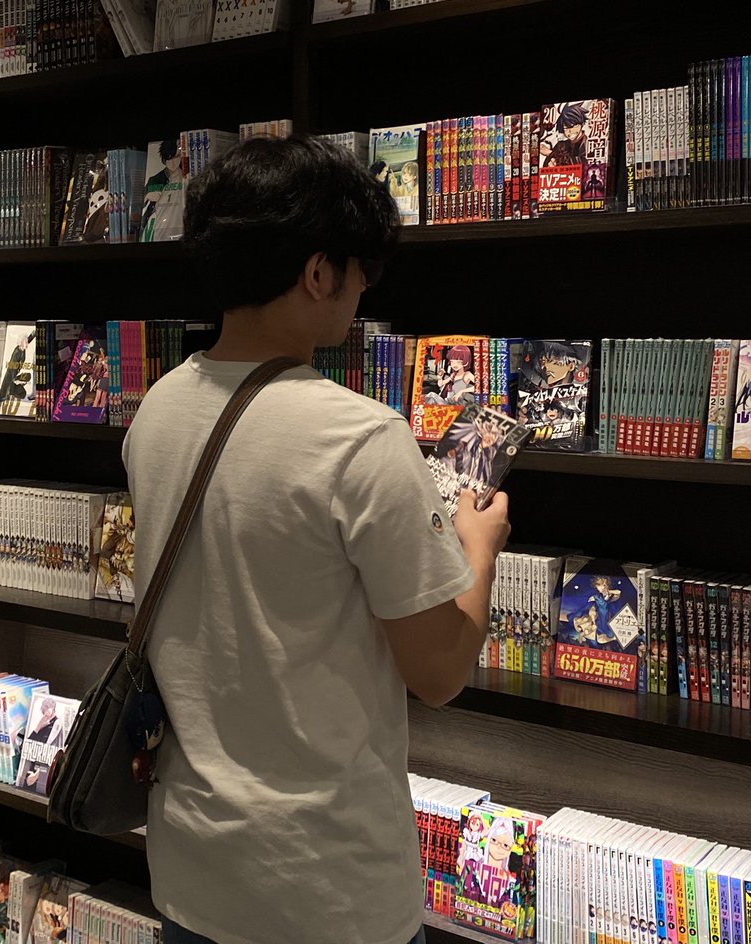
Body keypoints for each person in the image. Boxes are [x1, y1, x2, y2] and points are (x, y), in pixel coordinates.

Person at [123, 135, 510, 944]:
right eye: (360, 268)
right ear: (318, 272)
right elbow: (439, 671)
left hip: (192, 868)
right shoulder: (361, 437)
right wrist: (478, 545)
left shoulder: (156, 410)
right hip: (328, 892)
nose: (363, 288)